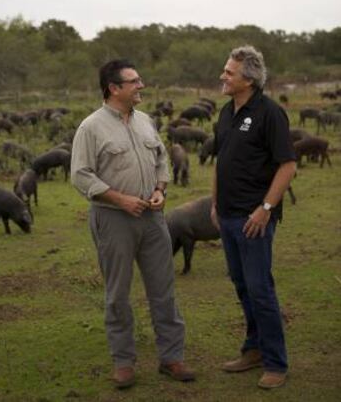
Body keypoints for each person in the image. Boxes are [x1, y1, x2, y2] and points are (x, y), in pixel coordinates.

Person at [71, 59, 195, 389]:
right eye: (134, 81)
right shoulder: (91, 127)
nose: (141, 86)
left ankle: (171, 357)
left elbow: (161, 159)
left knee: (164, 290)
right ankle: (123, 361)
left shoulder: (144, 121)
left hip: (153, 218)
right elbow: (80, 175)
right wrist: (119, 199)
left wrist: (160, 189)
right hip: (114, 219)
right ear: (114, 88)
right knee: (117, 294)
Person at [211, 46, 296, 390]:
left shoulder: (270, 113)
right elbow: (221, 162)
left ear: (248, 79)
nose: (223, 76)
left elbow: (287, 165)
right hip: (227, 216)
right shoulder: (225, 113)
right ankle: (253, 349)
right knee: (242, 284)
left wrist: (265, 209)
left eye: (229, 72)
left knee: (261, 289)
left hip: (254, 218)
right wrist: (215, 204)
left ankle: (276, 362)